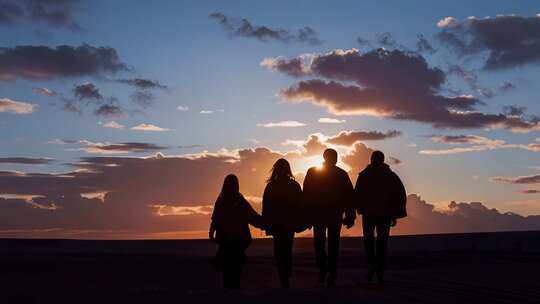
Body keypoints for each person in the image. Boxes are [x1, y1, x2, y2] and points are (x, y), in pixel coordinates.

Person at [303, 148, 356, 287]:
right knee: (332, 245)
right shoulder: (341, 174)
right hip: (330, 215)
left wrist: (307, 215)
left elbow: (306, 196)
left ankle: (326, 270)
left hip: (323, 215)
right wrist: (350, 215)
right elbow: (349, 197)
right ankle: (329, 271)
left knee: (321, 244)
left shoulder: (313, 172)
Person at [354, 151, 406, 284]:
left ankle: (374, 267)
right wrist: (395, 214)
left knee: (370, 242)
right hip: (382, 215)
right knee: (380, 243)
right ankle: (378, 270)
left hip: (372, 214)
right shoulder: (390, 176)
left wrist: (359, 209)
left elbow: (357, 194)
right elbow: (399, 195)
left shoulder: (365, 175)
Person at [209, 174, 264, 289]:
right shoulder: (240, 201)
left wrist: (212, 233)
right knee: (235, 275)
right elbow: (253, 217)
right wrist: (265, 224)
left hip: (227, 244)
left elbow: (215, 220)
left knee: (227, 276)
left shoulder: (221, 201)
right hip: (238, 243)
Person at [262, 158, 303, 288]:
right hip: (287, 224)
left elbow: (266, 207)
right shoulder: (294, 186)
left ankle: (284, 277)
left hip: (277, 225)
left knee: (280, 252)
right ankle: (285, 276)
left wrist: (266, 224)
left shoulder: (271, 186)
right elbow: (301, 206)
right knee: (286, 251)